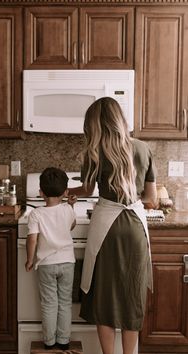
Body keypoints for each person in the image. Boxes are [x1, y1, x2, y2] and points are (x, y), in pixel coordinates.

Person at [68, 97, 157, 354]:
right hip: (134, 229)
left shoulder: (94, 152)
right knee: (132, 295)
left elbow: (86, 188)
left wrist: (65, 190)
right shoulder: (143, 148)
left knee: (105, 296)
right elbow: (150, 199)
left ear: (95, 124)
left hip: (107, 227)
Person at [25, 167, 77, 350]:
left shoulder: (36, 214)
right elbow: (71, 226)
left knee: (49, 303)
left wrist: (30, 260)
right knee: (65, 302)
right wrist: (70, 206)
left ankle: (48, 341)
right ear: (65, 192)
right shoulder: (68, 209)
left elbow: (32, 239)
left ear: (40, 193)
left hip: (46, 264)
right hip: (67, 263)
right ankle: (63, 341)